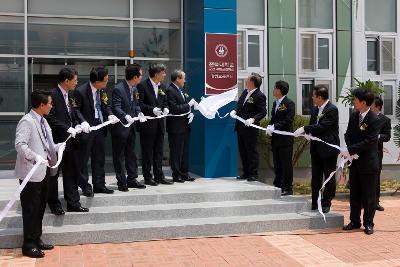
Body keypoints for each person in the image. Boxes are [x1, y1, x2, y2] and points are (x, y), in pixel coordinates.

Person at [15, 90, 61, 257]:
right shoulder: (27, 121)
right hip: (30, 173)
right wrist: (35, 157)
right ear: (41, 105)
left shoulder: (42, 120)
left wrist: (58, 146)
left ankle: (36, 238)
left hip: (44, 171)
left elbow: (47, 144)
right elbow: (20, 145)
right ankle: (28, 244)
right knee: (30, 209)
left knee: (40, 207)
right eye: (49, 103)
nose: (51, 105)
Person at [46, 68, 88, 214]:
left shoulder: (69, 95)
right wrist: (66, 128)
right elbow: (49, 118)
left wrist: (78, 123)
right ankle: (54, 204)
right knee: (54, 174)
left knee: (71, 172)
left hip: (70, 141)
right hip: (56, 142)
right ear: (66, 81)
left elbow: (72, 113)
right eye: (75, 80)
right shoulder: (52, 95)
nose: (76, 83)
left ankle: (73, 203)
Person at [294, 85, 339, 213]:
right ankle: (315, 202)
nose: (312, 98)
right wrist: (309, 135)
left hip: (328, 149)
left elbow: (323, 127)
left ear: (319, 97)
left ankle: (326, 202)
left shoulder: (332, 110)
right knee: (316, 177)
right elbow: (313, 125)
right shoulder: (315, 110)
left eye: (314, 96)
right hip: (316, 149)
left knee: (328, 177)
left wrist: (305, 129)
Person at [74, 66, 118, 197]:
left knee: (99, 158)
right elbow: (76, 110)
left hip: (100, 126)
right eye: (105, 80)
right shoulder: (80, 91)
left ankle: (99, 184)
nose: (107, 81)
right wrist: (82, 121)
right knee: (84, 158)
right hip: (87, 128)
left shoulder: (102, 90)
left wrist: (110, 114)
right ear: (97, 81)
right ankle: (85, 185)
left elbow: (106, 105)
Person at [343, 88, 381, 235]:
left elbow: (370, 141)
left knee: (369, 195)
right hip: (355, 162)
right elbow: (347, 134)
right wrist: (351, 150)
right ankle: (354, 221)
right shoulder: (354, 116)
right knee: (355, 194)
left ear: (363, 102)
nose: (354, 102)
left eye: (356, 100)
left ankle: (368, 223)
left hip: (368, 163)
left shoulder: (374, 119)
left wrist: (353, 150)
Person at [110, 63, 147, 191]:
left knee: (131, 154)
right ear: (135, 77)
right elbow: (116, 107)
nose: (141, 77)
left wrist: (139, 112)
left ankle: (132, 179)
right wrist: (125, 116)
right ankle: (121, 181)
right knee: (119, 155)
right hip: (120, 127)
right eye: (140, 75)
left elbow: (136, 105)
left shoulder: (135, 89)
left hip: (131, 127)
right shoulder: (118, 89)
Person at [137, 63, 173, 186]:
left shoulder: (162, 86)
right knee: (147, 152)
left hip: (159, 124)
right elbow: (139, 104)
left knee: (159, 152)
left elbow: (165, 102)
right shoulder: (142, 85)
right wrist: (152, 109)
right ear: (156, 74)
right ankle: (147, 177)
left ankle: (159, 176)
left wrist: (166, 108)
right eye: (163, 73)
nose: (164, 75)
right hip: (147, 125)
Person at [230, 73, 267, 182]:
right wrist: (235, 110)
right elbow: (239, 104)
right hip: (240, 127)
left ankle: (253, 173)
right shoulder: (245, 92)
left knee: (251, 151)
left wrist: (253, 119)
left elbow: (263, 112)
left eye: (248, 80)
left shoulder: (259, 96)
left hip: (250, 128)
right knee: (243, 151)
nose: (246, 81)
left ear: (253, 82)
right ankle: (246, 172)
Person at [166, 69, 196, 183]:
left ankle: (184, 173)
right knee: (176, 151)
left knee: (185, 151)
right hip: (175, 126)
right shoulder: (170, 90)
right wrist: (188, 106)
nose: (185, 80)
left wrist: (190, 112)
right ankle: (176, 174)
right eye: (183, 78)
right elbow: (174, 108)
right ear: (177, 79)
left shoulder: (181, 90)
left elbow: (185, 106)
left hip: (185, 125)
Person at [266, 80, 295, 196]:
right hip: (276, 139)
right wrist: (270, 126)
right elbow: (274, 118)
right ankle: (278, 184)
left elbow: (288, 121)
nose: (273, 90)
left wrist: (275, 126)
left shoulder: (289, 103)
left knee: (286, 164)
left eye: (274, 88)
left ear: (279, 90)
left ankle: (287, 187)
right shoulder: (275, 103)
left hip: (285, 139)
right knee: (277, 163)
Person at [371, 97, 391, 211]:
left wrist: (377, 136)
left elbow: (387, 136)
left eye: (372, 104)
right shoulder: (366, 117)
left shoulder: (385, 120)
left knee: (376, 177)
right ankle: (365, 201)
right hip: (364, 152)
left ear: (377, 107)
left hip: (377, 153)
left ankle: (375, 202)